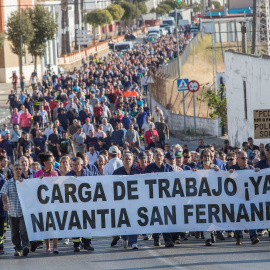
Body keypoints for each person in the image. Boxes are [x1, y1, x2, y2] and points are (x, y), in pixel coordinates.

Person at [144, 148, 175, 247]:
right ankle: (156, 237)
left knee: (165, 217)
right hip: (153, 197)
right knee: (156, 217)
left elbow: (175, 180)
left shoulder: (168, 167)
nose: (159, 157)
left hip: (166, 197)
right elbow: (143, 182)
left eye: (161, 155)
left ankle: (167, 239)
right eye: (157, 155)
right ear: (153, 157)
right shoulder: (149, 168)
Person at [229, 151, 260, 245]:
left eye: (246, 158)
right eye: (243, 158)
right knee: (237, 217)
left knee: (251, 216)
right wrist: (229, 174)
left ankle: (253, 236)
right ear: (237, 159)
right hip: (236, 197)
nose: (245, 160)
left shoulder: (251, 168)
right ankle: (239, 237)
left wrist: (259, 173)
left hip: (249, 197)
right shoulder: (232, 169)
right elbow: (226, 182)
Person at [65, 157, 95, 252]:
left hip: (87, 204)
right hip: (73, 204)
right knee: (75, 223)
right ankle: (76, 244)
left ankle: (87, 244)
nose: (74, 166)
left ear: (81, 165)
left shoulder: (88, 174)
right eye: (72, 164)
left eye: (76, 164)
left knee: (87, 223)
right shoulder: (68, 175)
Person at [113, 152, 141, 249]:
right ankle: (124, 237)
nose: (128, 161)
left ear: (132, 160)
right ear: (122, 160)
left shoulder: (137, 172)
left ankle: (133, 242)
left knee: (133, 220)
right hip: (121, 202)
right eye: (126, 159)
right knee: (124, 221)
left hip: (134, 202)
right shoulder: (116, 172)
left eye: (129, 159)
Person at [1, 164, 30, 256]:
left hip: (23, 211)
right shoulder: (8, 183)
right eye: (16, 169)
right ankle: (17, 248)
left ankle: (25, 246)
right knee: (14, 232)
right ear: (13, 171)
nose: (18, 171)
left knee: (23, 230)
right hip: (12, 211)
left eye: (19, 169)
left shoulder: (25, 182)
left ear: (22, 171)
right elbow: (4, 194)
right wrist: (5, 203)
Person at [34, 153, 59, 254]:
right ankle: (48, 246)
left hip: (53, 202)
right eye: (50, 162)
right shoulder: (37, 173)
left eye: (53, 162)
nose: (53, 164)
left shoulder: (55, 172)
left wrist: (54, 176)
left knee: (54, 225)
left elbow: (58, 185)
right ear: (45, 163)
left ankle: (55, 247)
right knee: (46, 225)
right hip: (43, 203)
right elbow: (34, 186)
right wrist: (38, 180)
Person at [0, 173, 7, 255]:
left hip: (1, 209)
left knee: (1, 229)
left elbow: (4, 192)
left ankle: (1, 246)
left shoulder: (1, 178)